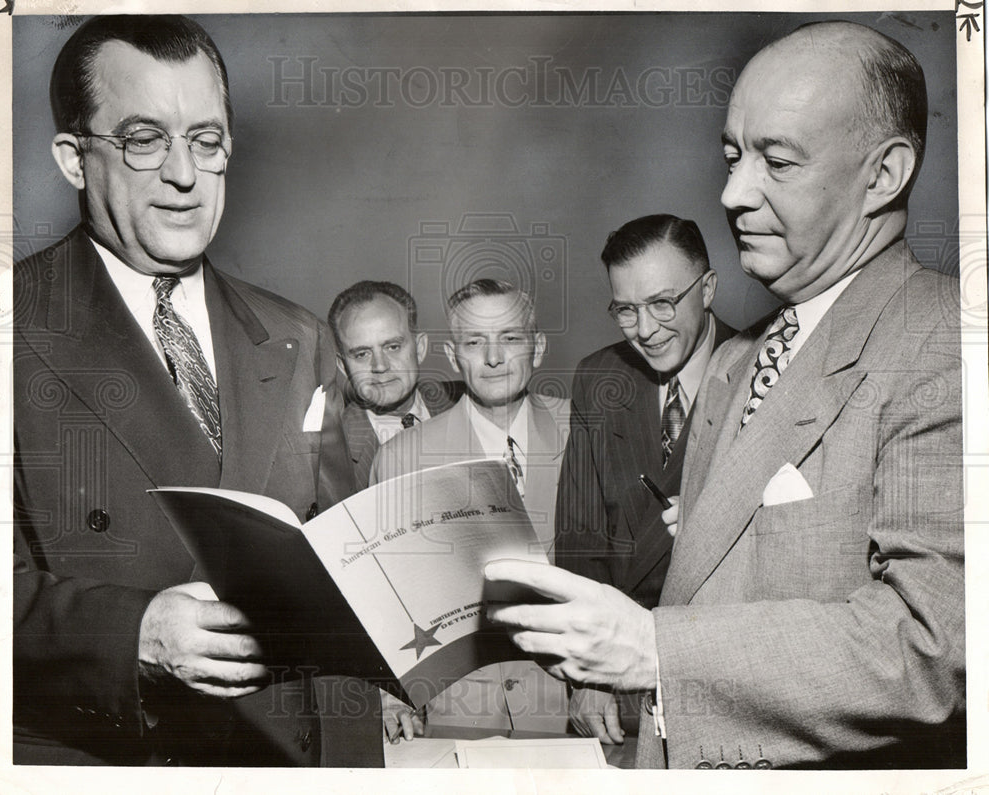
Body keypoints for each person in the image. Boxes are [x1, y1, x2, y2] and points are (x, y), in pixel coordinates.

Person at [487, 21, 964, 769]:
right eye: (733, 155)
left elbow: (932, 647)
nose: (733, 193)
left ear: (884, 174)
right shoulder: (740, 358)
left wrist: (656, 647)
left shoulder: (947, 342)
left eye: (777, 160)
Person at [13, 15, 380, 766]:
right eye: (145, 138)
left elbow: (355, 596)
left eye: (206, 141)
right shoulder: (6, 331)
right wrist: (134, 634)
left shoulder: (299, 336)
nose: (184, 174)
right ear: (74, 159)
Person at [554, 214, 735, 744]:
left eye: (663, 303)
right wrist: (585, 675)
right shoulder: (599, 377)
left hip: (719, 676)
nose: (646, 330)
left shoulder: (764, 365)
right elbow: (579, 540)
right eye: (626, 310)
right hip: (616, 692)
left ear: (707, 289)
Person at [372, 278, 571, 739]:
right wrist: (389, 694)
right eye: (475, 341)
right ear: (452, 355)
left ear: (537, 347)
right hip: (453, 711)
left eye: (511, 338)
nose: (494, 357)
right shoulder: (403, 458)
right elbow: (385, 597)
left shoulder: (583, 431)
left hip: (569, 703)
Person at [328, 280, 462, 492]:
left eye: (392, 347)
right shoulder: (329, 455)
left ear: (420, 348)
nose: (380, 366)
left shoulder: (468, 408)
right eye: (362, 354)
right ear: (343, 367)